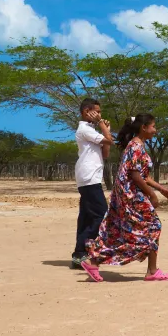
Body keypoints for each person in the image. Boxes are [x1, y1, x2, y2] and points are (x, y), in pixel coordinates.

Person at [81, 114, 168, 282]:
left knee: (119, 232)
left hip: (127, 194)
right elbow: (135, 175)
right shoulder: (136, 146)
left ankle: (93, 261)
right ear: (143, 127)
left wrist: (161, 189)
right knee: (153, 226)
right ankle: (152, 271)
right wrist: (151, 195)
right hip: (131, 195)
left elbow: (143, 175)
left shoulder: (136, 145)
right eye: (153, 126)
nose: (155, 130)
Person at [71, 98, 112, 269]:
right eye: (97, 111)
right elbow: (110, 141)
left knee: (87, 216)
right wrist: (103, 125)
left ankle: (79, 254)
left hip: (91, 177)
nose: (100, 115)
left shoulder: (91, 130)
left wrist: (105, 129)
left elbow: (106, 153)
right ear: (87, 111)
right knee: (101, 214)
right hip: (89, 178)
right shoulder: (85, 129)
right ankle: (84, 251)